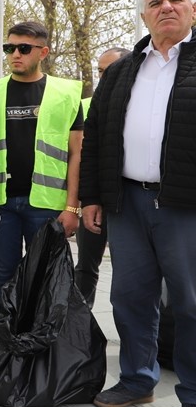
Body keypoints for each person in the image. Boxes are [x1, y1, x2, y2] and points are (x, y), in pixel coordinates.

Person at [79, 0, 196, 407]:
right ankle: (137, 380)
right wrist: (91, 197)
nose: (166, 7)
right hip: (127, 201)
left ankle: (193, 395)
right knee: (129, 296)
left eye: (176, 0)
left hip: (184, 206)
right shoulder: (123, 69)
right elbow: (96, 138)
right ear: (144, 14)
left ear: (192, 9)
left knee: (190, 303)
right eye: (156, 2)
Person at [0, 21, 83, 316]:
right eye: (9, 48)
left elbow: (77, 154)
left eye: (24, 48)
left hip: (46, 205)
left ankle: (40, 348)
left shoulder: (65, 94)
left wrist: (72, 208)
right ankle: (4, 342)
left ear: (43, 52)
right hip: (1, 204)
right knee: (3, 277)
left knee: (44, 279)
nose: (15, 54)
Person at [74, 46, 129, 308]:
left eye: (109, 71)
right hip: (94, 200)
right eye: (100, 72)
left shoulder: (139, 103)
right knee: (85, 266)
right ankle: (77, 330)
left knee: (130, 271)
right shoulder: (87, 106)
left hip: (128, 202)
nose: (103, 77)